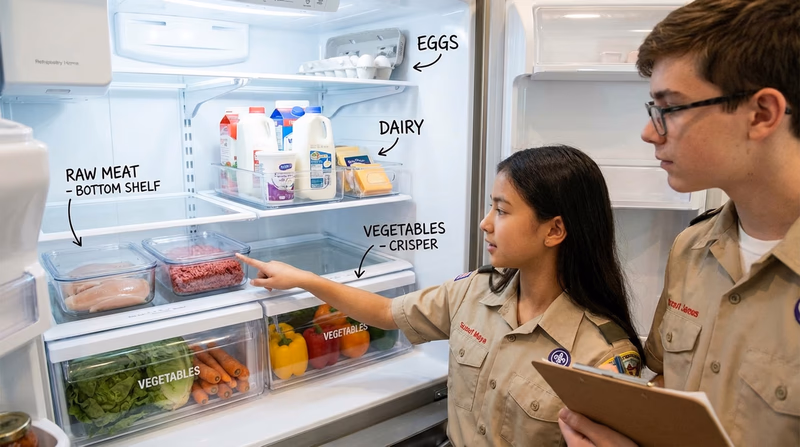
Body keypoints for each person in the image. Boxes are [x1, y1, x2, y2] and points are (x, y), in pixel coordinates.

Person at [238, 145, 644, 446]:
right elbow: (384, 312)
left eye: (502, 211)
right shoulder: (476, 291)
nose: (485, 223)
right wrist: (306, 279)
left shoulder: (600, 356)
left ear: (554, 230)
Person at [558, 1, 800, 446]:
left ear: (762, 113)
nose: (651, 132)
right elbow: (670, 381)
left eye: (670, 108)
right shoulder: (691, 248)